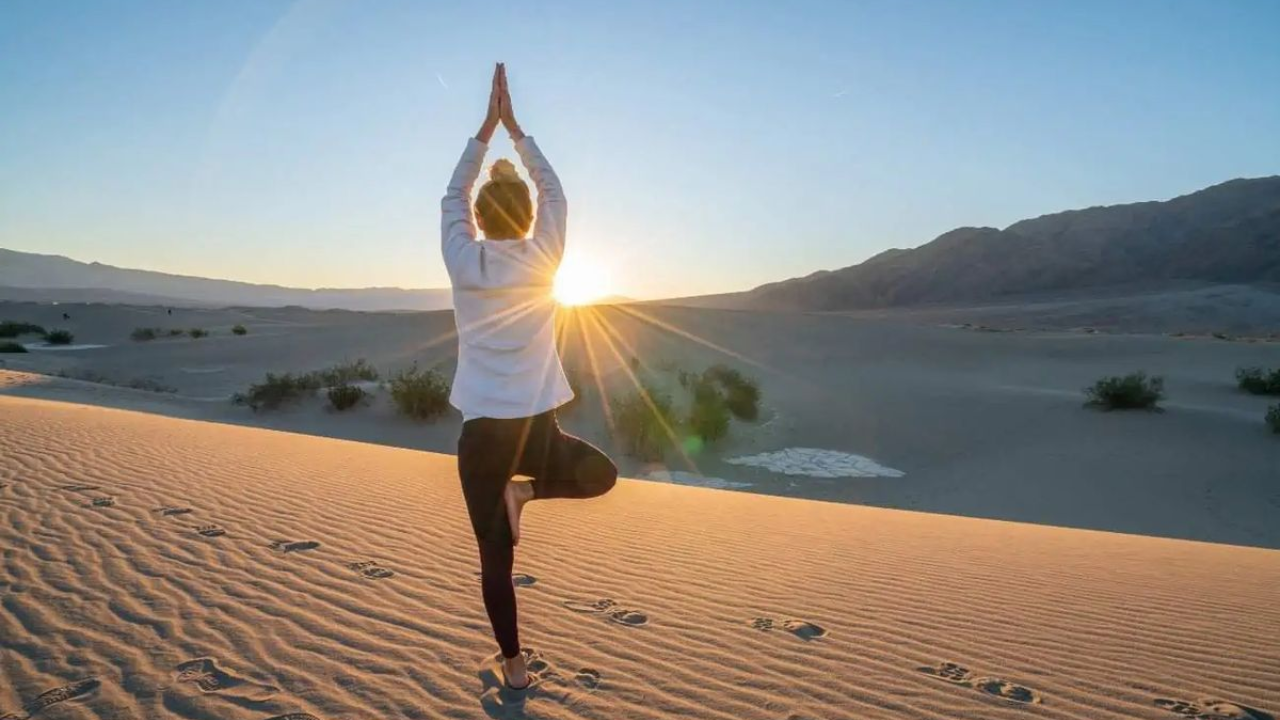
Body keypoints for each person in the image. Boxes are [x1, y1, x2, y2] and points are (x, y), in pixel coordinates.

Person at [441, 63, 618, 690]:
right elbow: (557, 194)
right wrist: (516, 131)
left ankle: (514, 670)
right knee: (602, 475)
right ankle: (529, 492)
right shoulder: (545, 258)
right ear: (525, 215)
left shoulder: (464, 262)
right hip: (539, 433)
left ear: (481, 218)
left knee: (496, 561)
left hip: (483, 438)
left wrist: (483, 134)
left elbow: (451, 196)